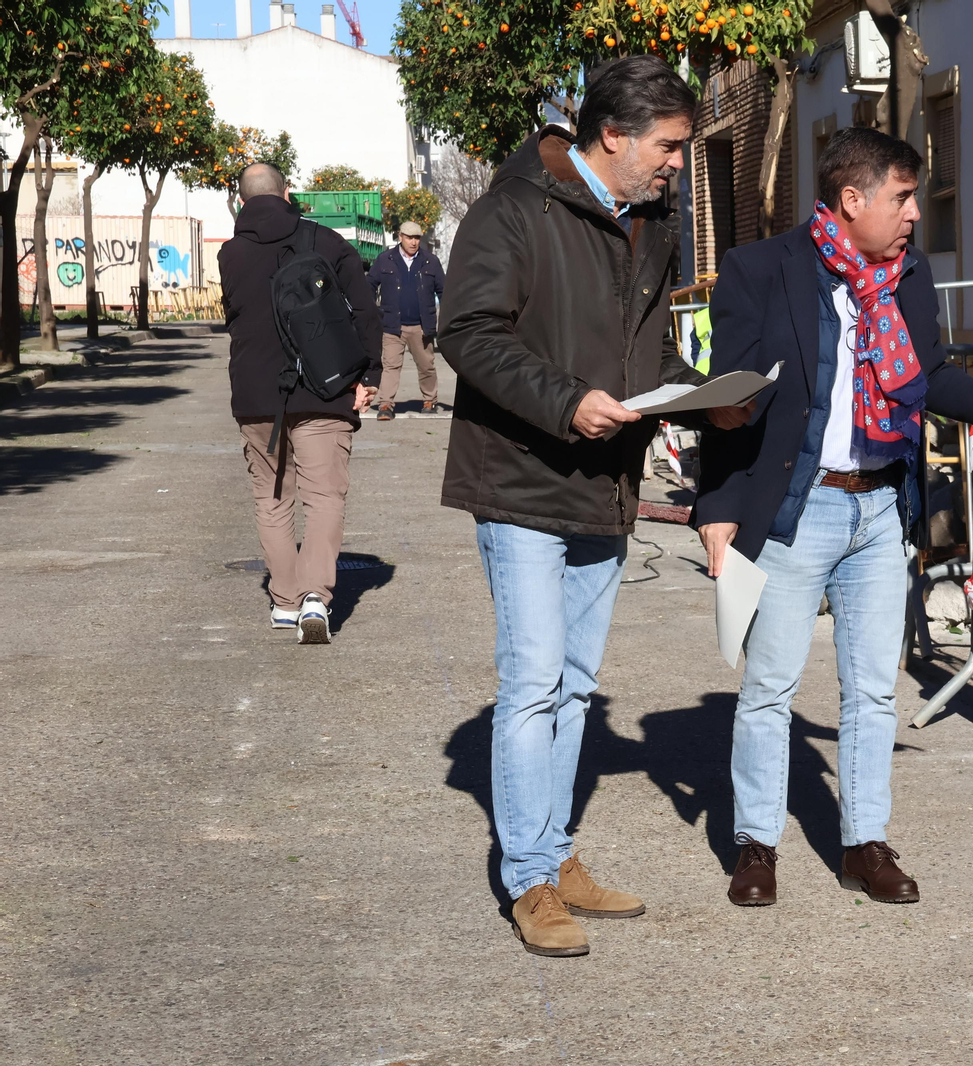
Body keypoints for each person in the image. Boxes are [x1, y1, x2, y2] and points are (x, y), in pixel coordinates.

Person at [692, 127, 973, 908]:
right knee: (769, 686)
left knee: (871, 690)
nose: (913, 217)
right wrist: (719, 507)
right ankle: (755, 845)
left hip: (879, 510)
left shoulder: (909, 275)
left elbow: (926, 373)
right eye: (902, 198)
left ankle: (864, 842)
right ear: (851, 198)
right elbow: (727, 400)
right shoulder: (760, 270)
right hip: (797, 509)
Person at [437, 56, 748, 959]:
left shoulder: (648, 225)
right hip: (521, 481)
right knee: (533, 683)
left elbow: (641, 359)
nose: (676, 166)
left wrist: (700, 394)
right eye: (668, 147)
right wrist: (564, 399)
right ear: (612, 136)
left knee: (574, 687)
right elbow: (468, 332)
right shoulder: (511, 209)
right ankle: (529, 880)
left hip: (605, 487)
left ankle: (554, 855)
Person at [218, 162, 381, 644]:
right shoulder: (329, 244)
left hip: (255, 398)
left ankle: (286, 601)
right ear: (287, 194)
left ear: (242, 202)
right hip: (325, 392)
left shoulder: (230, 254)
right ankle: (316, 595)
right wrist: (368, 376)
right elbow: (366, 312)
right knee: (324, 497)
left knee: (272, 500)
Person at [368, 220, 446, 419]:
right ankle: (385, 405)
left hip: (421, 326)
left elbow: (444, 291)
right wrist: (371, 312)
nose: (413, 242)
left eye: (417, 238)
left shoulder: (431, 261)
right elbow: (369, 285)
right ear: (400, 236)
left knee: (426, 365)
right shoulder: (385, 260)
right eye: (409, 237)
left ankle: (430, 400)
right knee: (390, 365)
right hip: (393, 325)